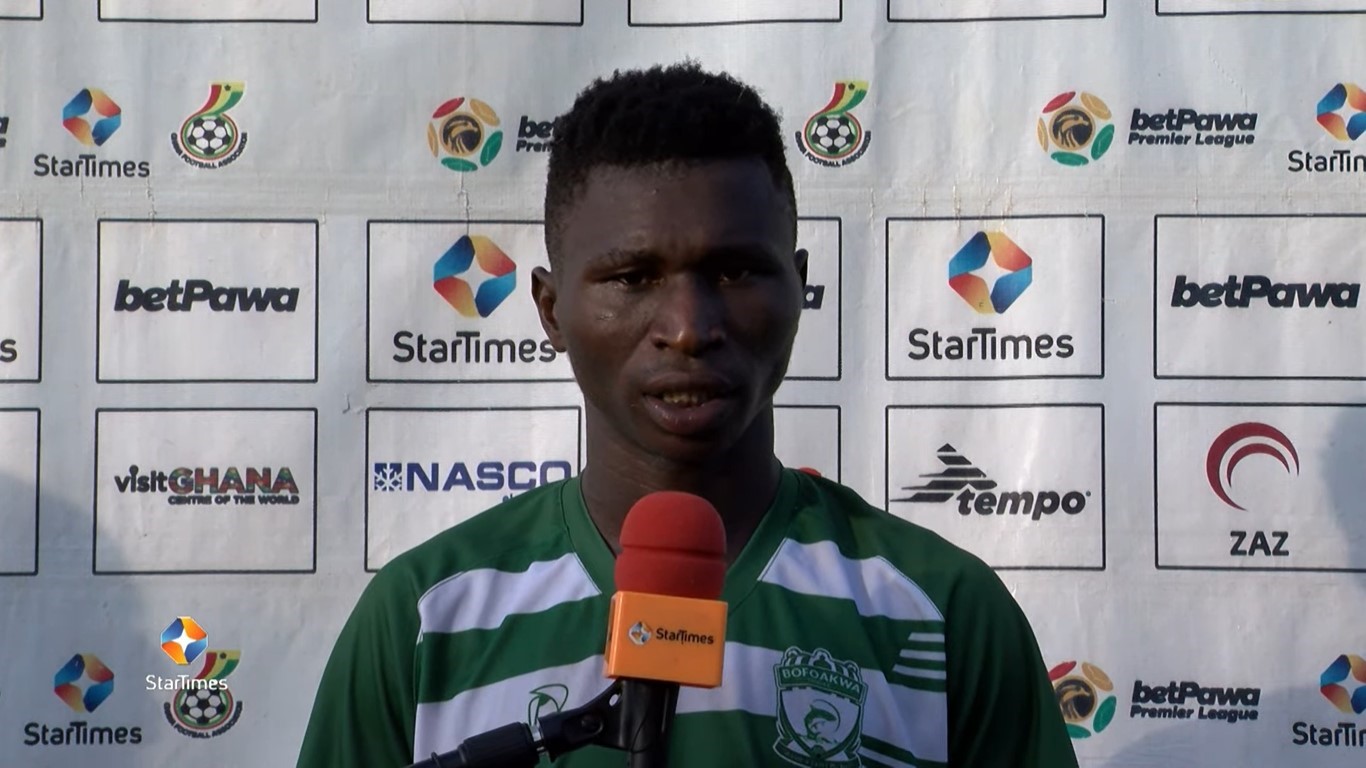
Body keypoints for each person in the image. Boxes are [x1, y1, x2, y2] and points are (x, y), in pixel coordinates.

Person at [297, 62, 1078, 768]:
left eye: (735, 272)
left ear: (799, 289)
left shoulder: (944, 612)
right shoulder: (424, 619)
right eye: (632, 277)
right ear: (551, 310)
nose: (688, 327)